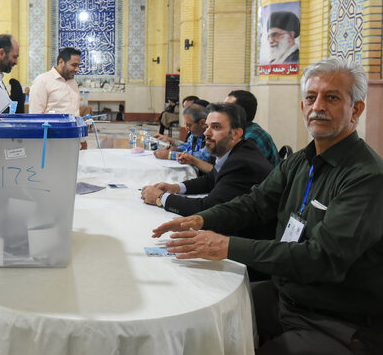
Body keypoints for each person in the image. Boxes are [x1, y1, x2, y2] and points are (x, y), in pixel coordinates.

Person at [152, 58, 383, 354]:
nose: (318, 106)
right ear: (302, 107)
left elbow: (322, 257)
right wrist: (199, 220)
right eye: (311, 97)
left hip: (335, 319)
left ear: (357, 109)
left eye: (332, 97)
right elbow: (254, 203)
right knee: (198, 322)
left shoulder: (366, 177)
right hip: (285, 296)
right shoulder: (302, 160)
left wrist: (227, 246)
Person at [142, 103, 272, 217]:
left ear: (236, 134)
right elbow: (210, 179)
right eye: (207, 127)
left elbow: (208, 208)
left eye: (216, 127)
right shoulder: (235, 151)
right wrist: (176, 187)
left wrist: (160, 198)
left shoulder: (242, 163)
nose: (206, 133)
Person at [225, 90, 279, 166]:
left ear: (240, 113)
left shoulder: (252, 137)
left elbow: (235, 169)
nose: (221, 111)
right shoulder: (239, 130)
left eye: (227, 108)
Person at [29, 47, 81, 115]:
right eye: (74, 65)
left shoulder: (73, 82)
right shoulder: (42, 81)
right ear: (61, 62)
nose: (77, 69)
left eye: (78, 66)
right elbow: (35, 115)